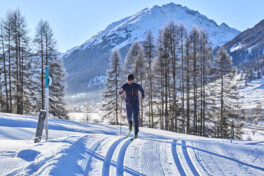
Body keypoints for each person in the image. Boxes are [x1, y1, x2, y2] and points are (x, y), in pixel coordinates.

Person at [120, 74, 144, 139]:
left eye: (131, 80)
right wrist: (120, 92)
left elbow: (142, 90)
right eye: (128, 80)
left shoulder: (136, 86)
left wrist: (143, 95)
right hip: (128, 104)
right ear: (127, 80)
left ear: (132, 80)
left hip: (135, 104)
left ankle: (136, 132)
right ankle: (130, 125)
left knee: (135, 118)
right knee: (129, 117)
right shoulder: (125, 86)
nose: (129, 81)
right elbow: (120, 90)